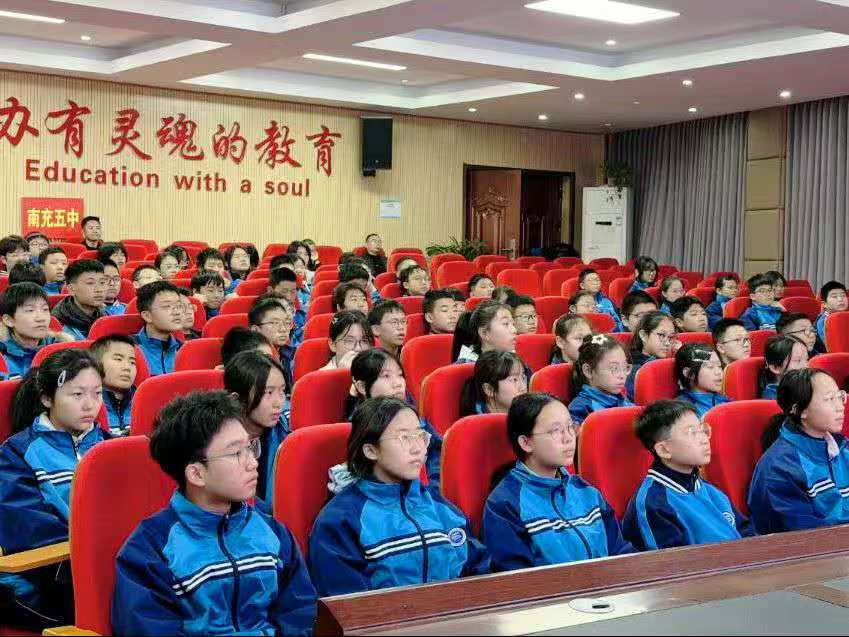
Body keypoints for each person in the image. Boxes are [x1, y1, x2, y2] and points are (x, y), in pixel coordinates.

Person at [111, 391, 316, 635]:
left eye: (250, 447)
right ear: (196, 474)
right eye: (236, 453)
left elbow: (300, 613)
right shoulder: (150, 549)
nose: (252, 463)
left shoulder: (272, 532)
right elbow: (148, 628)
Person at [308, 397, 489, 596]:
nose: (418, 448)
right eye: (404, 438)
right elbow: (349, 608)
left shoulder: (442, 508)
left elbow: (482, 578)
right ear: (371, 450)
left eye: (420, 435)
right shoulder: (338, 522)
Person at [0, 350, 107, 629]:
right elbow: (27, 527)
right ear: (47, 398)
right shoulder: (17, 453)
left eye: (97, 393)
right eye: (77, 394)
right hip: (54, 572)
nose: (90, 405)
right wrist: (92, 551)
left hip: (114, 562)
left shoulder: (111, 447)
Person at [483, 392, 632, 572]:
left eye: (570, 427)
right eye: (555, 431)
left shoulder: (585, 491)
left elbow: (620, 552)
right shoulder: (505, 504)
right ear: (526, 443)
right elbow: (517, 579)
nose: (568, 438)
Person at [623, 400, 752, 550]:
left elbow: (746, 531)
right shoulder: (653, 504)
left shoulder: (706, 487)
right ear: (664, 450)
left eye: (702, 430)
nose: (704, 439)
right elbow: (674, 562)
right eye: (692, 432)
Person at [748, 368, 849, 535]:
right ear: (800, 410)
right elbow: (805, 537)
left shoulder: (843, 448)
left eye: (840, 396)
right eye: (829, 399)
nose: (840, 407)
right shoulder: (778, 469)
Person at [343, 349, 442, 487]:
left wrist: (433, 489)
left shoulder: (411, 415)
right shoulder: (360, 429)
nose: (398, 383)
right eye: (386, 376)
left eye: (400, 375)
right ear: (362, 387)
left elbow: (437, 453)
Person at [224, 351, 290, 502]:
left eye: (282, 391)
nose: (278, 403)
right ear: (236, 399)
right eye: (268, 393)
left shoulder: (286, 433)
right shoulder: (218, 445)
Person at [0, 283, 71, 379]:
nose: (41, 318)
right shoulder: (2, 357)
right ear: (8, 320)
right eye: (30, 310)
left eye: (45, 309)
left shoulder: (64, 349)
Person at [569, 334, 635, 426]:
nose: (622, 375)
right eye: (614, 368)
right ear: (588, 371)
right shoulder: (580, 409)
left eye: (625, 367)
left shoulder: (623, 400)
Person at [90, 334, 137, 436]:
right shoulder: (87, 405)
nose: (127, 367)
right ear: (96, 364)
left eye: (132, 362)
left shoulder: (143, 402)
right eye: (118, 359)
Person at [134, 280, 183, 376]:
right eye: (167, 306)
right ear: (147, 316)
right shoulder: (129, 348)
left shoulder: (183, 349)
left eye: (179, 305)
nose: (177, 312)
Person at [459, 350, 528, 416]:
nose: (523, 387)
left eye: (523, 377)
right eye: (514, 380)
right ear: (489, 389)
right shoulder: (476, 422)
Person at [626, 311, 677, 401]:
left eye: (671, 337)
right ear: (643, 335)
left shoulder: (674, 363)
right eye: (661, 335)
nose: (667, 343)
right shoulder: (633, 369)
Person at [51, 259, 105, 340]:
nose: (99, 289)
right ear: (71, 289)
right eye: (90, 283)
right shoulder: (58, 325)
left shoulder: (105, 315)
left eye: (102, 283)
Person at [674, 343, 731, 418]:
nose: (718, 372)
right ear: (688, 373)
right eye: (710, 367)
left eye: (719, 366)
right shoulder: (683, 410)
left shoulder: (724, 400)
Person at [249, 297, 295, 389]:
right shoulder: (250, 363)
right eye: (275, 323)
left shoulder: (293, 355)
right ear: (256, 330)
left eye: (287, 323)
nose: (283, 329)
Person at [453, 300, 517, 364]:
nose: (514, 330)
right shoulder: (467, 366)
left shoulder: (514, 359)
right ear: (484, 333)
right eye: (506, 323)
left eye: (513, 324)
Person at [759, 335, 809, 400]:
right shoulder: (774, 398)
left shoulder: (802, 387)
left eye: (807, 359)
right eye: (798, 360)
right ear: (775, 368)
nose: (806, 366)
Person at [268, 267, 306, 347]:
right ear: (270, 290)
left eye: (293, 292)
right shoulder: (264, 317)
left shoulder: (302, 316)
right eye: (284, 292)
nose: (289, 297)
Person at [816, 280, 848, 345]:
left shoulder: (845, 316)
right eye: (834, 297)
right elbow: (832, 346)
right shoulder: (824, 321)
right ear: (824, 304)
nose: (840, 299)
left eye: (843, 295)